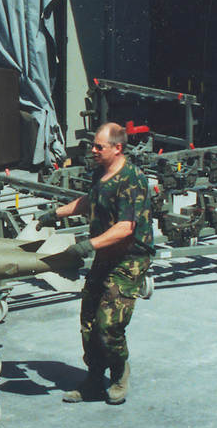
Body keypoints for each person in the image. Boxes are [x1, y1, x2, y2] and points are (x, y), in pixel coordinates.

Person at [37, 122, 153, 405]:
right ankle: (93, 381)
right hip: (105, 254)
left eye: (99, 146)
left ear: (117, 148)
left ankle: (119, 374)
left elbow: (126, 227)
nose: (93, 150)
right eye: (94, 145)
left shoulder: (132, 180)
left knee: (109, 324)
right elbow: (90, 200)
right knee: (88, 319)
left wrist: (87, 245)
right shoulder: (101, 172)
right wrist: (56, 214)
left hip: (129, 259)